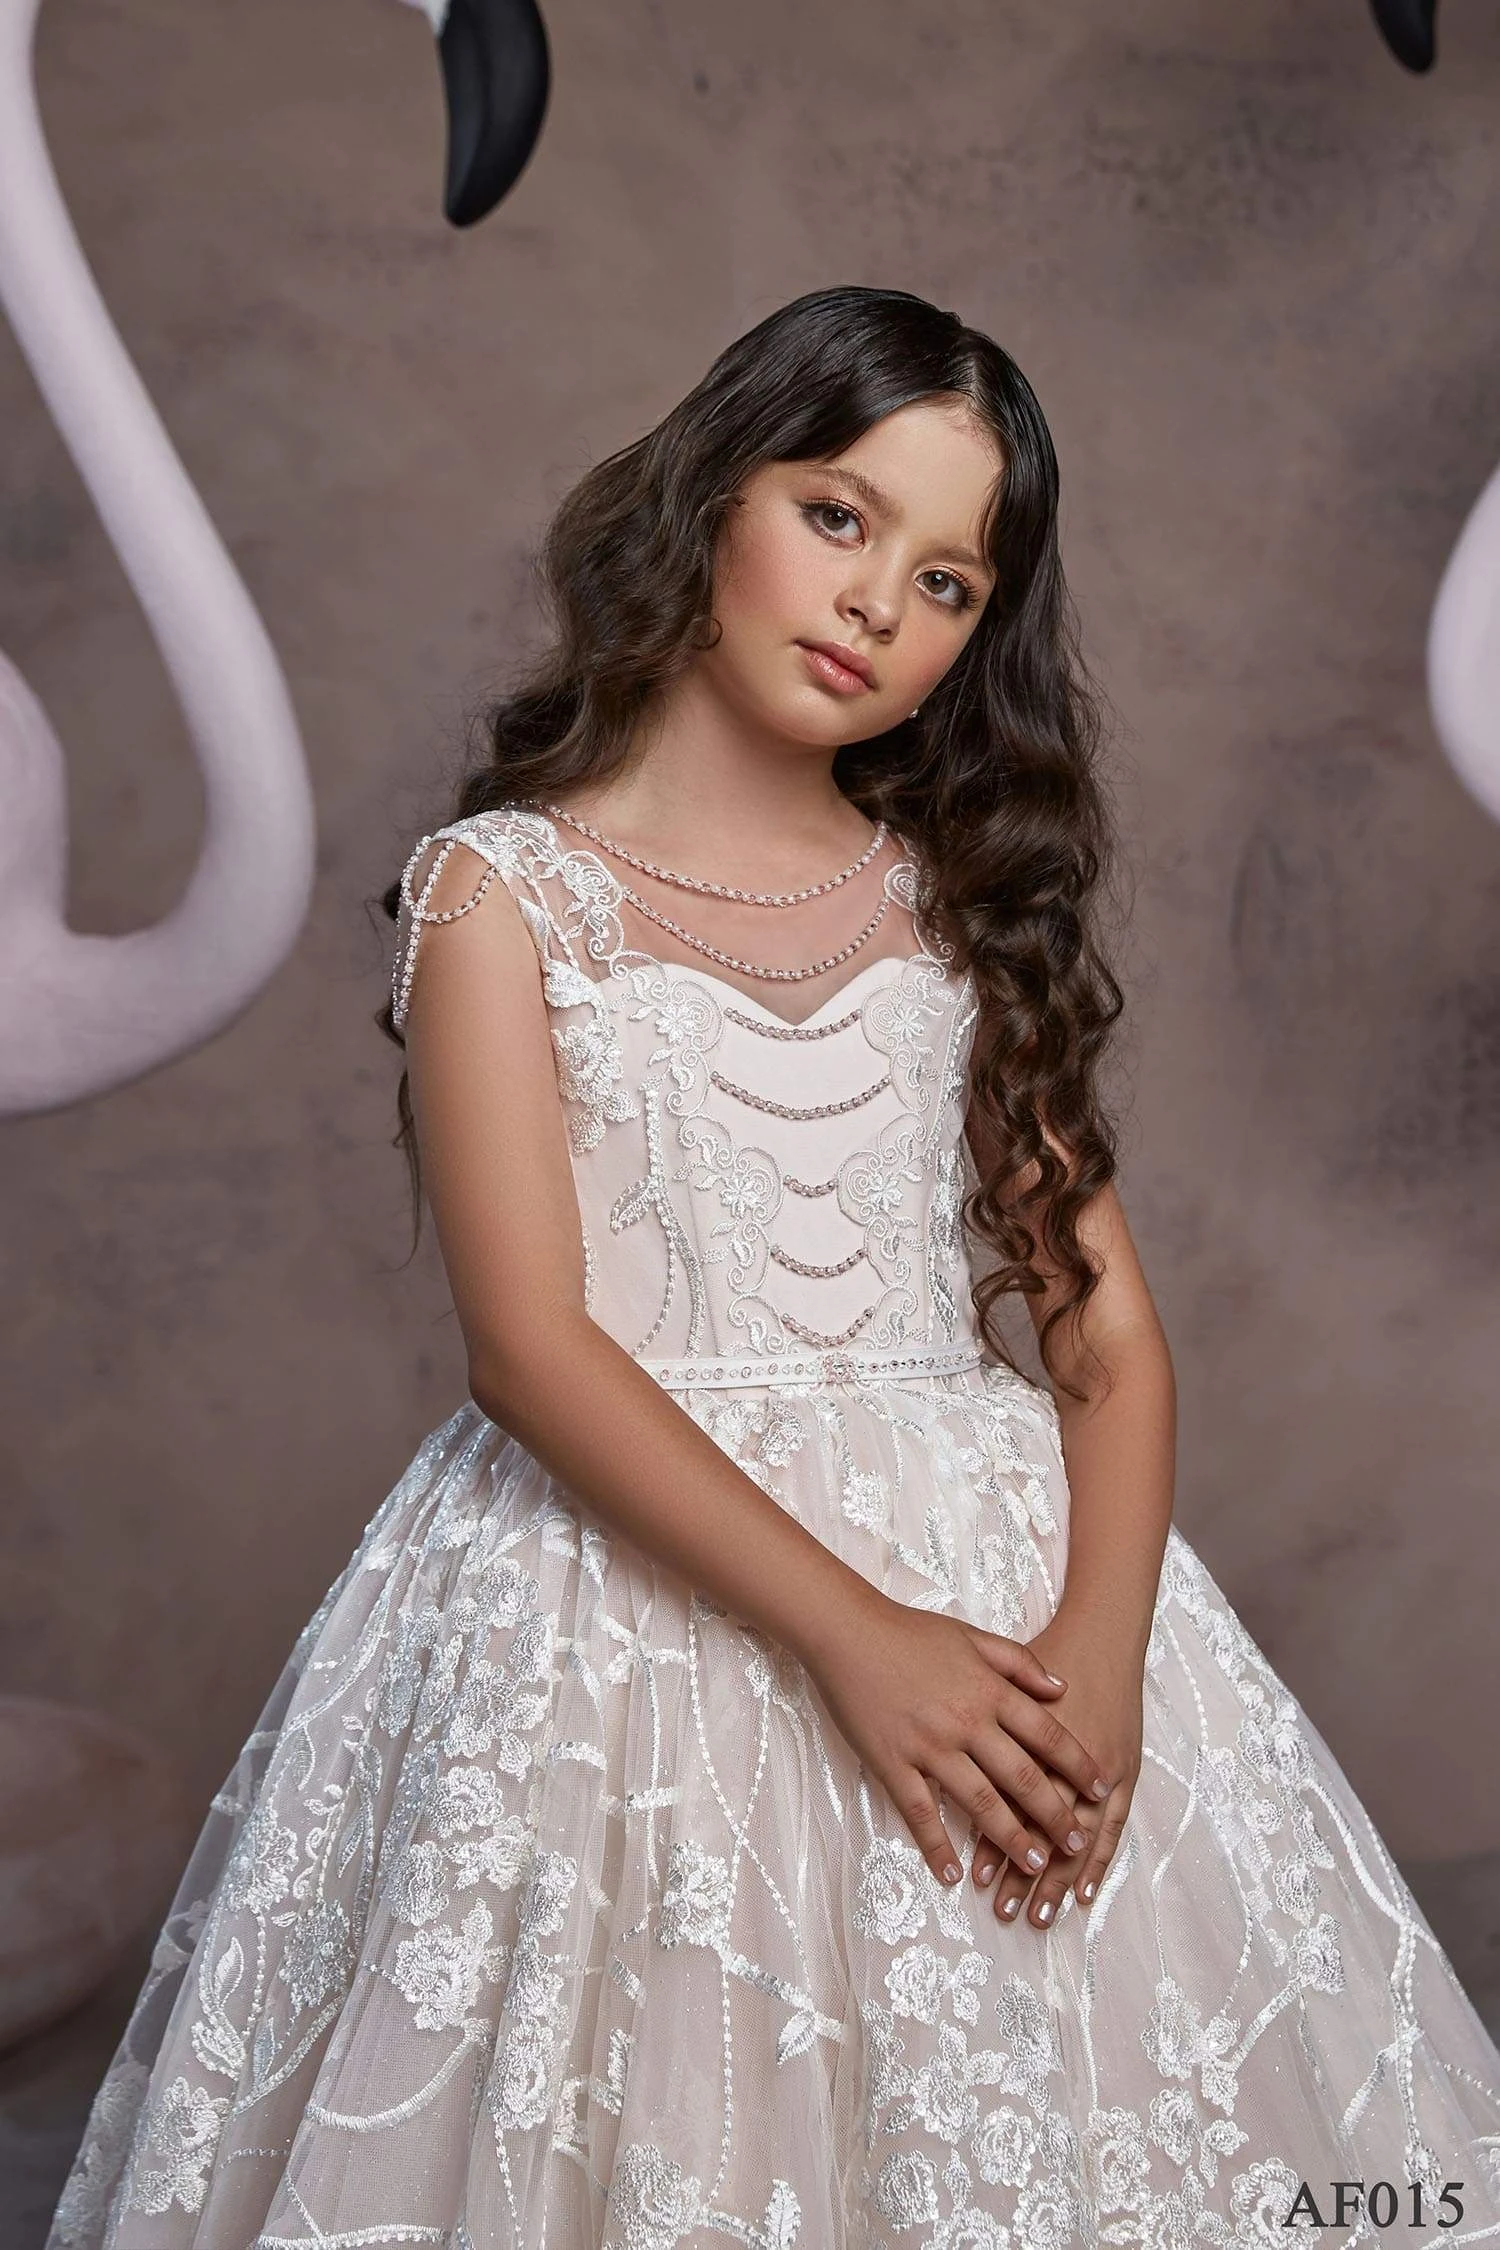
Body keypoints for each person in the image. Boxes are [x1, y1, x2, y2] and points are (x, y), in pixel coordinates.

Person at [48, 285, 1500, 2249]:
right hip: (615, 1610)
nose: (876, 603)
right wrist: (861, 1640)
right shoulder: (504, 893)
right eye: (837, 515)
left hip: (990, 1569)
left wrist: (1101, 1658)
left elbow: (1110, 1341)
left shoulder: (955, 907)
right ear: (716, 488)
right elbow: (530, 1350)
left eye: (947, 581)